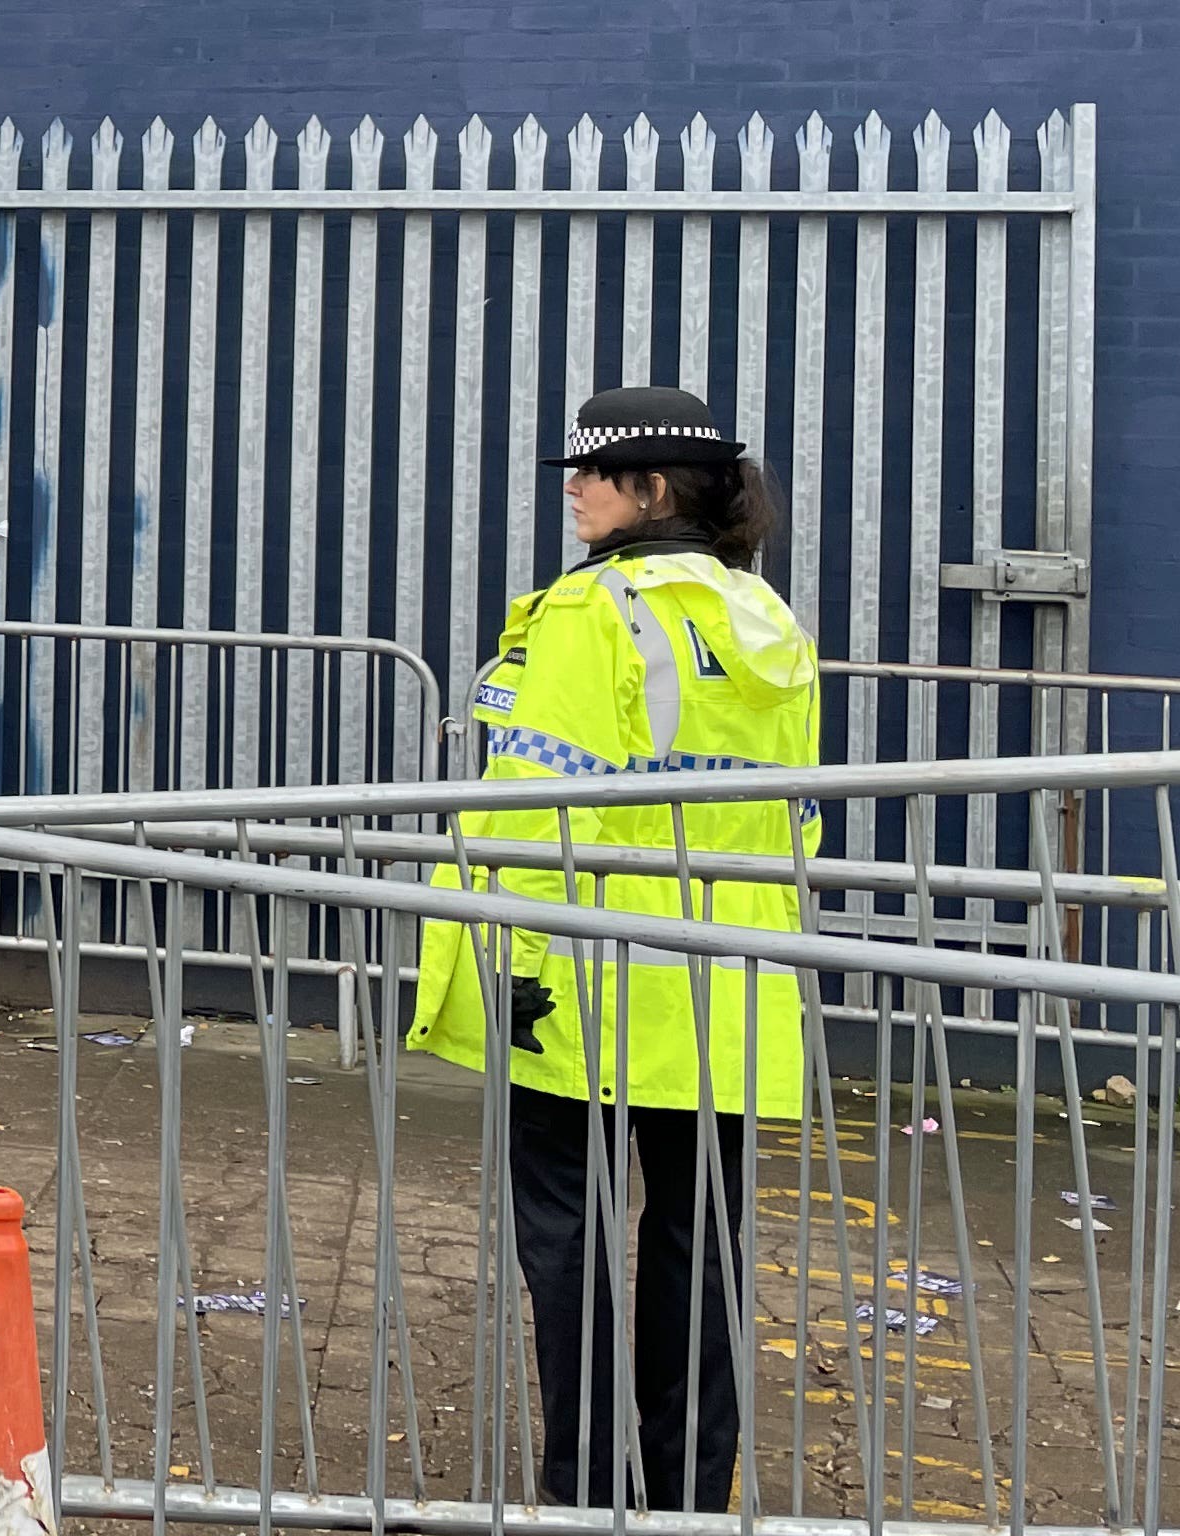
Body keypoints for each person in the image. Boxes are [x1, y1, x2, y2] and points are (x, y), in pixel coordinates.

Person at [405, 385, 822, 1517]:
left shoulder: (588, 613)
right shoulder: (763, 619)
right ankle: (687, 1498)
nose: (573, 489)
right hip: (727, 988)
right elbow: (793, 816)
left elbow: (533, 814)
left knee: (571, 1262)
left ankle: (588, 1493)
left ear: (652, 491)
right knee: (704, 1263)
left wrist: (496, 965)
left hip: (581, 993)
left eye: (593, 472)